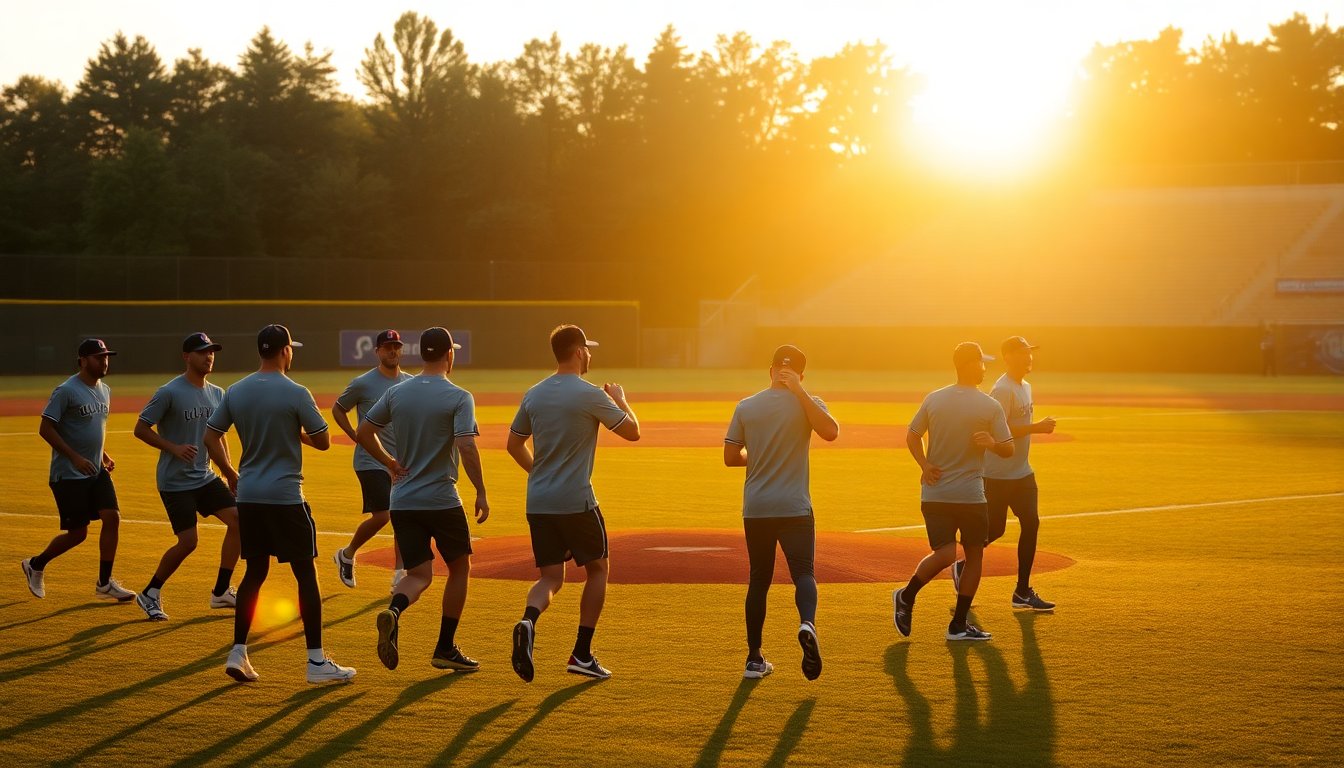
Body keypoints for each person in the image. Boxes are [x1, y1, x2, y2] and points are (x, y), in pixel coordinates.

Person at [204, 324, 355, 684]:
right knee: (306, 574)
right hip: (286, 496)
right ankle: (316, 662)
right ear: (285, 351)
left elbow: (211, 435)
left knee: (255, 573)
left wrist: (229, 472)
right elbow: (322, 441)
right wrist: (295, 431)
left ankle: (238, 652)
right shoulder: (296, 392)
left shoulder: (236, 391)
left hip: (251, 495)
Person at [506, 325, 640, 682]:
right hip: (576, 500)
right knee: (598, 569)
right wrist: (621, 400)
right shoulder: (589, 394)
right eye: (588, 349)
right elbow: (632, 432)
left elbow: (514, 444)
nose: (590, 355)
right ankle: (581, 653)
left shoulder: (534, 394)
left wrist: (539, 474)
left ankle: (527, 620)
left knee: (550, 576)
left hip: (539, 501)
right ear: (579, 351)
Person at [356, 328, 489, 673]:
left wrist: (388, 463)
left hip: (402, 499)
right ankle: (445, 647)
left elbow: (364, 432)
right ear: (449, 355)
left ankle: (394, 610)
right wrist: (481, 490)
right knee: (460, 567)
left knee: (418, 574)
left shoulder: (398, 392)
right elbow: (466, 445)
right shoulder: (459, 396)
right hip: (442, 498)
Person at [724, 344, 839, 680]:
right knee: (803, 572)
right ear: (800, 375)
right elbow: (831, 432)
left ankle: (754, 658)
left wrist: (755, 459)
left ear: (770, 370)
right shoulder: (809, 404)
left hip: (757, 507)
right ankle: (807, 623)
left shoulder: (747, 405)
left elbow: (731, 457)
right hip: (795, 507)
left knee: (759, 580)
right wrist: (801, 392)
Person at [893, 342, 1013, 642]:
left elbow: (912, 435)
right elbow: (1009, 448)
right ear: (971, 365)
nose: (985, 368)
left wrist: (924, 464)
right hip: (967, 494)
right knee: (958, 555)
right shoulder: (989, 406)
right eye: (982, 363)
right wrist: (993, 444)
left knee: (961, 555)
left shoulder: (935, 398)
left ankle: (958, 624)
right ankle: (908, 597)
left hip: (939, 493)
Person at [132, 332, 241, 621]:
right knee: (188, 541)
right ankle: (150, 593)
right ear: (186, 357)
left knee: (239, 521)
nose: (209, 356)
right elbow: (140, 429)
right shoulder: (169, 391)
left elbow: (219, 436)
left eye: (212, 352)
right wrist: (173, 447)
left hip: (205, 477)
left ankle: (220, 592)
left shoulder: (218, 393)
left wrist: (228, 471)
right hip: (175, 481)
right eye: (202, 351)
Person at [22, 338, 135, 602]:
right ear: (82, 361)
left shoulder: (105, 389)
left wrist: (103, 454)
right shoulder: (66, 391)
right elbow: (46, 428)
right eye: (98, 357)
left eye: (106, 356)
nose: (104, 361)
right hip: (68, 474)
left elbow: (92, 427)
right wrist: (74, 457)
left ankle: (104, 584)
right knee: (78, 534)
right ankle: (36, 564)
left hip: (95, 471)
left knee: (112, 517)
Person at [953, 336, 1056, 612]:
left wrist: (1034, 428)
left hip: (1022, 473)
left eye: (1030, 352)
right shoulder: (1002, 389)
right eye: (1023, 352)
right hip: (997, 474)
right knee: (995, 529)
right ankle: (962, 566)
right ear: (1008, 357)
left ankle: (1022, 591)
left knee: (1031, 523)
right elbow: (1002, 428)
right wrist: (1037, 427)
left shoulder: (1026, 386)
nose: (1029, 357)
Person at [331, 329, 412, 592]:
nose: (392, 351)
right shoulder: (363, 383)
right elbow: (338, 409)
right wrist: (354, 435)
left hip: (400, 462)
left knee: (400, 516)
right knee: (384, 515)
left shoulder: (410, 383)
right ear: (377, 351)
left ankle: (400, 574)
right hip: (370, 460)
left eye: (396, 346)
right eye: (387, 346)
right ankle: (347, 552)